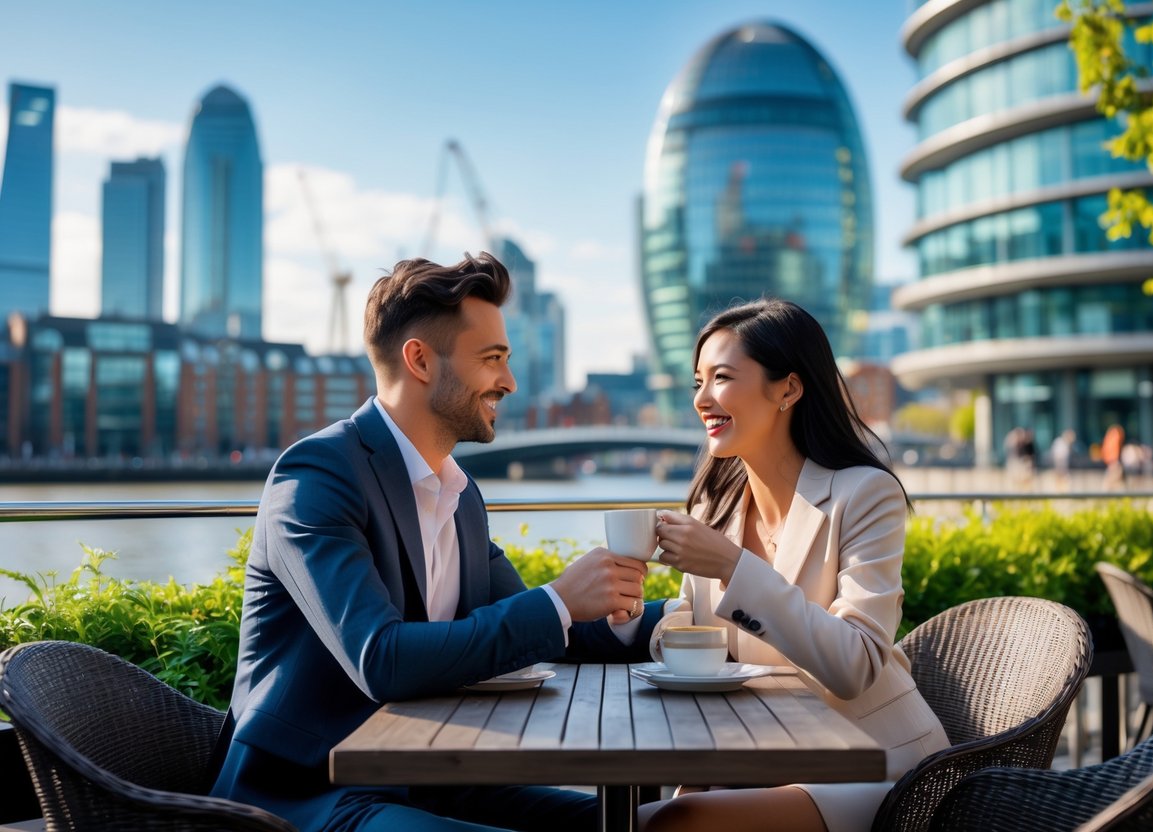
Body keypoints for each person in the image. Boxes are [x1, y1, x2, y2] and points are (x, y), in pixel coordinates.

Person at [209, 253, 661, 832]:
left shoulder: (459, 494)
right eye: (491, 359)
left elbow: (546, 631)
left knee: (644, 823)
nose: (510, 382)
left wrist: (674, 619)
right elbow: (383, 659)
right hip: (306, 794)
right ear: (420, 360)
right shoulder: (318, 475)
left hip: (435, 781)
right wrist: (559, 601)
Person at [637, 298, 950, 832]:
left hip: (879, 765)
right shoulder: (717, 508)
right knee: (631, 817)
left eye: (722, 378)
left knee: (669, 822)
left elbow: (855, 664)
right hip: (764, 757)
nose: (702, 399)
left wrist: (735, 569)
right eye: (697, 382)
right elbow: (699, 632)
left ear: (788, 388)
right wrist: (646, 622)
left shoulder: (865, 494)